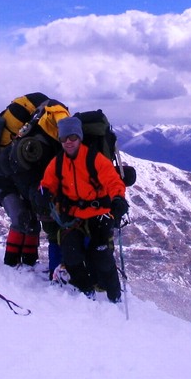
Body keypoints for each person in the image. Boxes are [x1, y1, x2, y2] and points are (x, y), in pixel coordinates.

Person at [0, 94, 69, 274]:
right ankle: (12, 265)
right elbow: (19, 175)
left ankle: (28, 265)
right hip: (6, 181)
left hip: (13, 179)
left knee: (29, 221)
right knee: (22, 219)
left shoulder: (41, 139)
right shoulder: (27, 149)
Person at [39, 116, 129, 303]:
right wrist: (43, 194)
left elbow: (113, 182)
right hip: (74, 217)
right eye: (64, 138)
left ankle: (115, 296)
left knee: (101, 255)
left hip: (100, 214)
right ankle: (86, 290)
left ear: (79, 137)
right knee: (71, 254)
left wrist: (118, 198)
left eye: (72, 137)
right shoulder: (57, 163)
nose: (68, 142)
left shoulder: (94, 159)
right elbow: (46, 184)